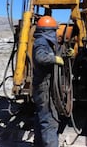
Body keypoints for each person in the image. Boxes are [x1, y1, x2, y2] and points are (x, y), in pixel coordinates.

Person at [32, 16, 64, 147]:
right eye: (54, 31)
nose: (55, 34)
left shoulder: (45, 41)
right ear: (47, 31)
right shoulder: (41, 42)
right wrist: (54, 59)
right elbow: (40, 57)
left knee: (42, 118)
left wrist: (65, 54)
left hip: (43, 87)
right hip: (44, 88)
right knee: (50, 121)